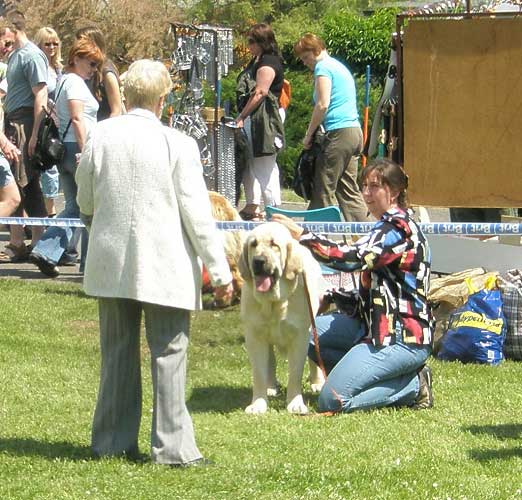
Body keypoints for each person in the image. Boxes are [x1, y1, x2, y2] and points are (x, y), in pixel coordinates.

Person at [75, 59, 234, 466]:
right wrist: (219, 271)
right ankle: (173, 448)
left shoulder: (101, 134)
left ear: (126, 95)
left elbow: (85, 199)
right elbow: (198, 215)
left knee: (116, 353)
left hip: (111, 262)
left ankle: (111, 441)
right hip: (165, 266)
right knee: (169, 353)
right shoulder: (178, 144)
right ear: (164, 100)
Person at [272, 159, 434, 414]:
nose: (366, 194)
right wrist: (333, 297)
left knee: (332, 400)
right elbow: (377, 289)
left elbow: (353, 258)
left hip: (402, 338)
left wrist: (303, 236)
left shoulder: (398, 229)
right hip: (371, 326)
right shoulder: (383, 227)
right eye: (364, 186)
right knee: (305, 334)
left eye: (374, 187)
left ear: (393, 191)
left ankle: (414, 385)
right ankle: (371, 376)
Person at [29, 38, 102, 277]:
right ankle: (87, 264)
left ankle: (47, 251)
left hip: (66, 151)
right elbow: (78, 118)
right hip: (76, 150)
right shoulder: (75, 84)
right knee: (90, 207)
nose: (93, 70)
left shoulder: (64, 81)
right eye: (91, 63)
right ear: (76, 59)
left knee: (75, 206)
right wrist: (86, 152)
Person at [294, 33, 368, 222]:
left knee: (323, 190)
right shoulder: (338, 66)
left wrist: (309, 135)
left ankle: (312, 241)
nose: (305, 62)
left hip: (338, 133)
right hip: (354, 131)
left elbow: (322, 104)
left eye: (305, 57)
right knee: (349, 191)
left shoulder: (323, 67)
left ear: (316, 50)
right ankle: (366, 237)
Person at [0, 11, 48, 263]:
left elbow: (41, 94)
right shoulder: (15, 55)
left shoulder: (31, 55)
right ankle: (17, 242)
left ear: (13, 29)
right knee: (17, 183)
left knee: (28, 183)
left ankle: (39, 243)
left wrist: (34, 135)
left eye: (1, 33)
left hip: (26, 124)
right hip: (13, 122)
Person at [235, 23, 284, 221]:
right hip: (255, 120)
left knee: (265, 165)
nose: (249, 46)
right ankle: (252, 204)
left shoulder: (268, 62)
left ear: (262, 42)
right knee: (251, 164)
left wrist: (242, 116)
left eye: (252, 41)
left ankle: (275, 211)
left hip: (264, 122)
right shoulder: (258, 60)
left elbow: (260, 93)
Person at [33, 27, 63, 219]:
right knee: (48, 170)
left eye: (55, 43)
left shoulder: (59, 68)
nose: (52, 47)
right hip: (43, 125)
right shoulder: (38, 66)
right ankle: (49, 214)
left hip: (60, 125)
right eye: (47, 43)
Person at [75, 26, 123, 120]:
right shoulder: (84, 69)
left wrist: (103, 132)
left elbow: (116, 111)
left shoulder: (107, 73)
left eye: (82, 42)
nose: (77, 46)